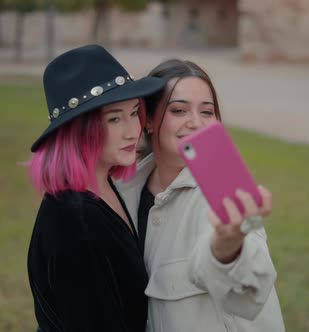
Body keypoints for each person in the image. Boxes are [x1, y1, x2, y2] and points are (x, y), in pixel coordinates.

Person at [117, 59, 285, 331]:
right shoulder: (123, 191)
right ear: (148, 120)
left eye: (207, 112)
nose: (196, 123)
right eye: (179, 110)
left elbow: (250, 292)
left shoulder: (224, 188)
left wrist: (227, 248)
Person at [26, 44, 165, 332]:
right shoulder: (75, 219)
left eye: (133, 113)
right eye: (114, 118)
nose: (132, 130)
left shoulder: (102, 186)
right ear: (80, 129)